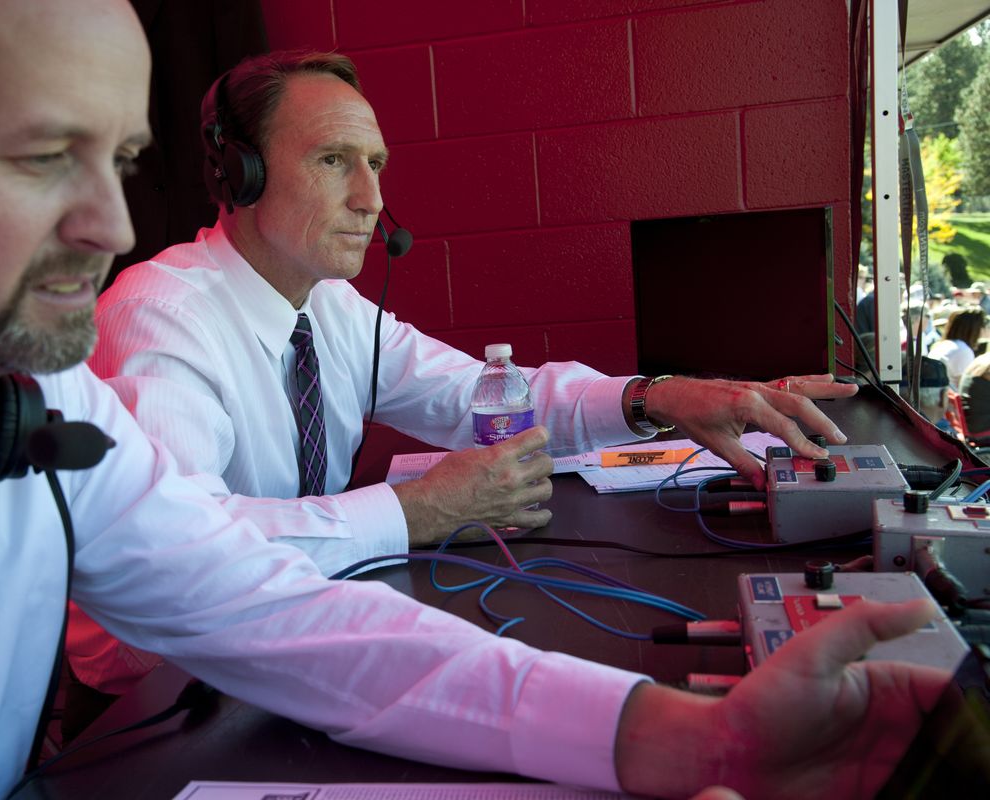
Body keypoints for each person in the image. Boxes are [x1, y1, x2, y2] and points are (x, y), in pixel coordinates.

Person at [0, 3, 949, 799]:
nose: (108, 224)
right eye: (45, 154)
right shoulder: (142, 321)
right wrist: (411, 513)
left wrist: (689, 732)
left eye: (118, 156)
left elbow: (286, 616)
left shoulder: (25, 392)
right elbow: (142, 635)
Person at [77, 49, 860, 696]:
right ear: (236, 174)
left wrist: (658, 396)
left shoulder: (331, 308)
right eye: (332, 161)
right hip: (155, 691)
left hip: (274, 636)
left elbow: (480, 396)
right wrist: (416, 510)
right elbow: (179, 557)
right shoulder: (159, 315)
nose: (371, 199)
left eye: (376, 164)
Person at [929, 306, 986, 388]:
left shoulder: (944, 345)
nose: (983, 329)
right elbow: (966, 388)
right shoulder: (962, 351)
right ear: (974, 328)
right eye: (982, 325)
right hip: (945, 398)